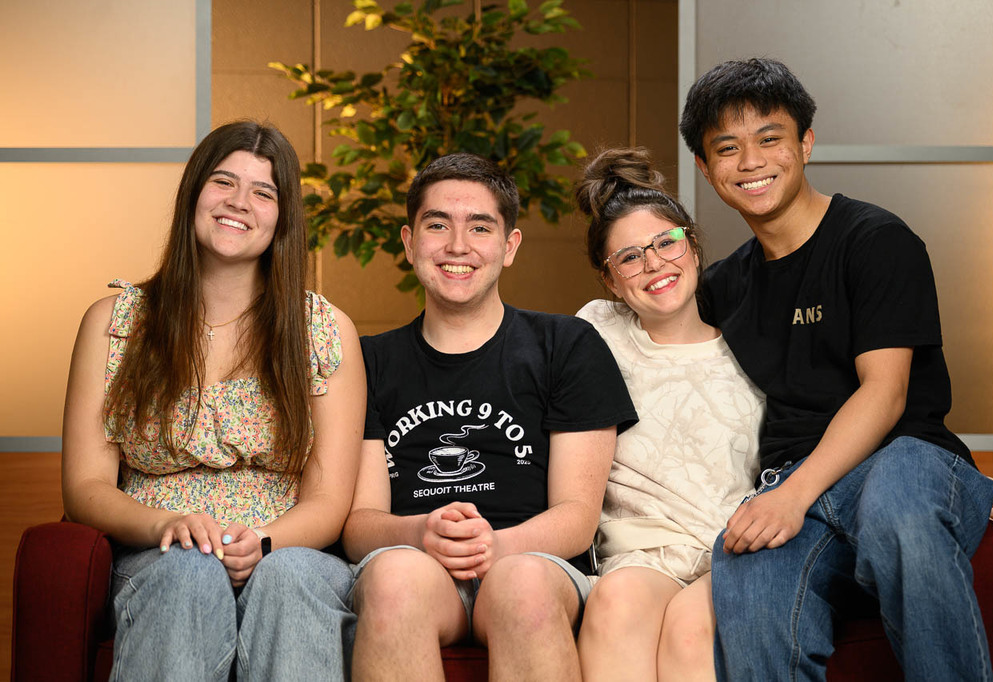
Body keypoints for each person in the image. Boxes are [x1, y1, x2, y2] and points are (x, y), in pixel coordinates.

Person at [679, 57, 993, 680]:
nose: (750, 161)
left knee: (899, 502)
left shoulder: (875, 241)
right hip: (796, 482)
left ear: (806, 143)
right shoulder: (721, 288)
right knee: (745, 564)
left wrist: (951, 487)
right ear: (706, 168)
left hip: (901, 456)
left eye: (770, 138)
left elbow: (886, 395)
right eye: (727, 148)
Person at [61, 120, 365, 681]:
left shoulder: (323, 329)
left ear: (283, 217)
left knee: (290, 578)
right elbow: (85, 487)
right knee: (188, 571)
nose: (239, 203)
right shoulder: (114, 324)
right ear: (193, 193)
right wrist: (166, 526)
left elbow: (329, 498)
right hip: (158, 556)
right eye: (223, 182)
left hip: (288, 549)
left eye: (263, 192)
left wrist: (266, 542)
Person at [342, 152, 637, 682]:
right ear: (409, 243)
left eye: (480, 227)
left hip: (535, 560)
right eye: (438, 225)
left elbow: (577, 516)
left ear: (509, 246)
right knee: (393, 578)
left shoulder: (565, 346)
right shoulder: (369, 362)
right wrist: (419, 533)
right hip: (416, 563)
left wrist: (496, 546)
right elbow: (360, 525)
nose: (458, 246)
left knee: (518, 584)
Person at [572, 148, 763, 682]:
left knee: (690, 628)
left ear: (694, 246)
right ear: (610, 281)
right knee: (616, 607)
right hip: (641, 549)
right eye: (629, 257)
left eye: (666, 242)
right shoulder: (598, 331)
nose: (654, 263)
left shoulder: (753, 341)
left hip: (733, 549)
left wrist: (951, 473)